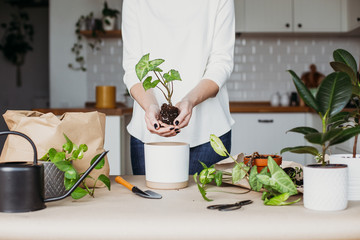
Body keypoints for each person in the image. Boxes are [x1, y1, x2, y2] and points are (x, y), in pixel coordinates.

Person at [122, 0, 235, 175]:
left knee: (204, 203)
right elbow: (133, 66)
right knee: (149, 202)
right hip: (148, 137)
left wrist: (189, 101)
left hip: (208, 135)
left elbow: (221, 64)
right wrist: (150, 106)